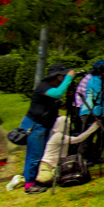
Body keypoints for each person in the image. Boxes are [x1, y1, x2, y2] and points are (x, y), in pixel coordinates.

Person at [20, 63, 77, 194]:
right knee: (34, 155)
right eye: (63, 75)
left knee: (39, 154)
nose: (64, 77)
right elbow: (57, 94)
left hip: (44, 125)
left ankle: (32, 180)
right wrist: (69, 78)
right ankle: (29, 185)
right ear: (57, 76)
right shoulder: (43, 86)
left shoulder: (52, 86)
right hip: (36, 125)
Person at [34, 116, 101, 189]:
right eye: (67, 125)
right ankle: (24, 179)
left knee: (60, 177)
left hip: (57, 165)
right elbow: (79, 139)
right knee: (47, 179)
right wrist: (94, 127)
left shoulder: (63, 136)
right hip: (47, 164)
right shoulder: (58, 136)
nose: (68, 127)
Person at [78, 60, 104, 165]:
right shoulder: (93, 80)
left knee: (103, 134)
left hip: (101, 111)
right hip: (90, 110)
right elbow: (99, 94)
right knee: (88, 135)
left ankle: (96, 156)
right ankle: (85, 158)